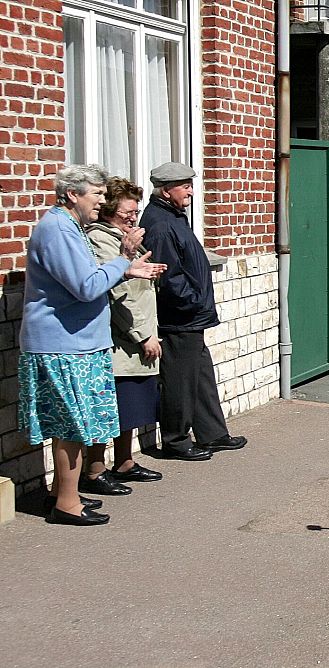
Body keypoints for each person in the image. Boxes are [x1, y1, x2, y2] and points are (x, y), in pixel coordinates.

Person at [19, 164, 166, 525]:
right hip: (62, 344)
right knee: (70, 425)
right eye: (97, 194)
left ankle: (61, 493)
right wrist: (123, 258)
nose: (103, 201)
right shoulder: (57, 229)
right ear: (73, 194)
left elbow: (85, 279)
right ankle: (66, 504)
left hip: (76, 342)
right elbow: (85, 286)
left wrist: (126, 268)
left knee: (72, 424)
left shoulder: (69, 227)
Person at [140, 162, 247, 461]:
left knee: (199, 376)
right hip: (179, 317)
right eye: (184, 185)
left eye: (190, 183)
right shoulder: (161, 223)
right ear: (165, 189)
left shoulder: (173, 217)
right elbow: (168, 275)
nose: (190, 189)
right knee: (179, 380)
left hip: (190, 314)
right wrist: (194, 302)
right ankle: (175, 441)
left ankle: (212, 434)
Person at [82, 176, 163, 493]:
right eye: (128, 211)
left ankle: (125, 461)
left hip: (135, 332)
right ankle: (95, 469)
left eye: (135, 210)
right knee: (110, 405)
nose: (133, 216)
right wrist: (143, 335)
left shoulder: (124, 235)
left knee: (129, 405)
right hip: (122, 336)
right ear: (109, 211)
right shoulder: (103, 240)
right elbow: (118, 293)